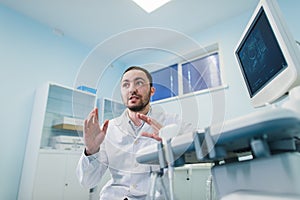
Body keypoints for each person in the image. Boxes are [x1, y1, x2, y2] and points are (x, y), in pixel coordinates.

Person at [76, 66, 193, 200]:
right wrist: (91, 151)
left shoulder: (171, 122)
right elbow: (87, 181)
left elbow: (201, 147)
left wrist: (172, 142)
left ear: (152, 91)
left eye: (139, 83)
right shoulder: (109, 129)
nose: (132, 89)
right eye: (126, 85)